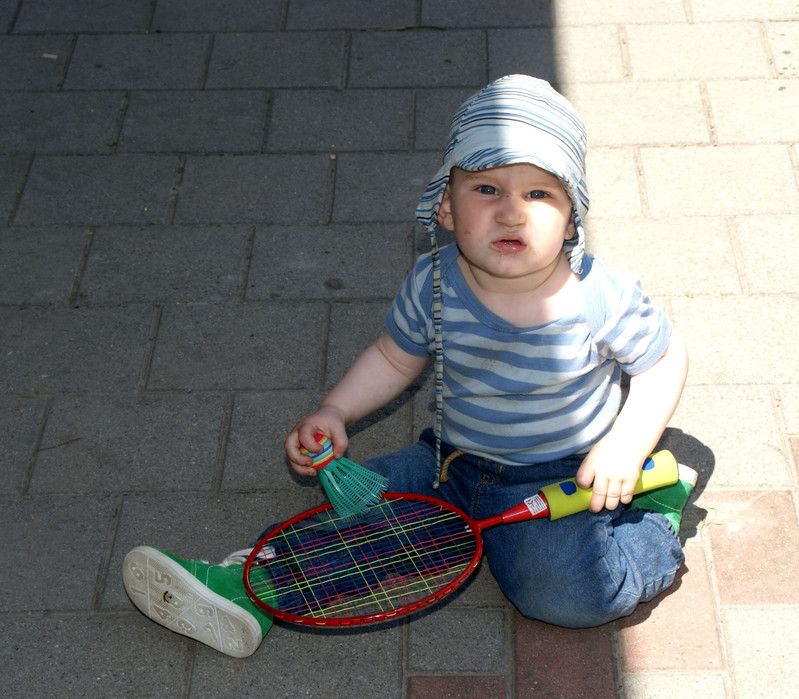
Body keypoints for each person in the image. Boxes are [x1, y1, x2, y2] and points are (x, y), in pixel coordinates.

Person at [123, 75, 695, 658]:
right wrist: (336, 410)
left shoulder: (600, 297)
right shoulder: (435, 283)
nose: (510, 214)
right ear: (446, 207)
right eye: (487, 189)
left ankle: (652, 522)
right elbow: (392, 358)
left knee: (566, 595)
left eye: (539, 195)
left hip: (563, 478)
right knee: (360, 514)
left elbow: (664, 360)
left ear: (572, 218)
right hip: (450, 461)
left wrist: (626, 446)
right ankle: (250, 587)